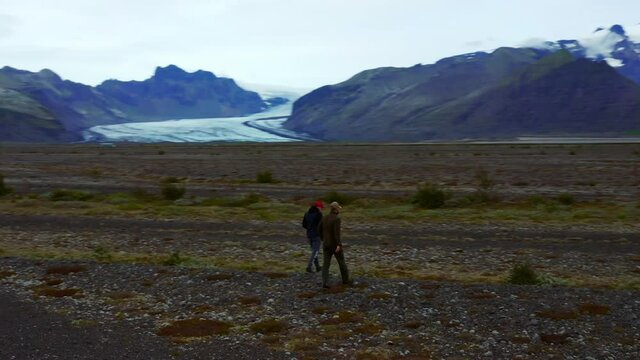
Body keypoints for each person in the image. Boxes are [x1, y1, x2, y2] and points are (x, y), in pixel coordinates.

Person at [318, 201, 351, 288]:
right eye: (338, 208)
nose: (339, 210)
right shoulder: (336, 219)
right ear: (336, 209)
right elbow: (336, 233)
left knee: (326, 264)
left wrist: (323, 238)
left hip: (326, 244)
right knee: (341, 262)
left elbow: (319, 229)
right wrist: (339, 245)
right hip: (334, 245)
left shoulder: (324, 218)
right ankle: (346, 280)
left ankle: (325, 282)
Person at [302, 200, 324, 273]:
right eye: (321, 207)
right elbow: (321, 226)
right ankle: (309, 266)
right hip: (316, 235)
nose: (321, 209)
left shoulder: (307, 214)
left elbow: (304, 225)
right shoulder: (319, 214)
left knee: (314, 251)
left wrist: (309, 229)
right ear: (318, 207)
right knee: (315, 251)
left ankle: (317, 267)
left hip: (309, 235)